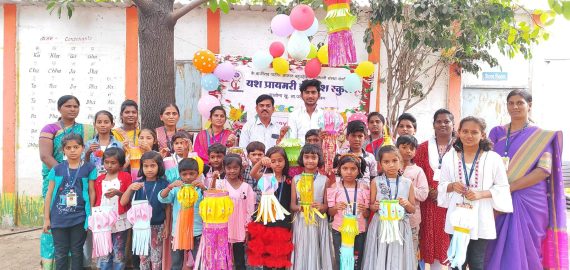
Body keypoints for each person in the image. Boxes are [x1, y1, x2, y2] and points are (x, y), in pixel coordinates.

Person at [485, 90, 568, 269]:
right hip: (498, 197)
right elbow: (485, 162)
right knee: (493, 243)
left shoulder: (541, 136)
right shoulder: (496, 132)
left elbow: (543, 170)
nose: (515, 107)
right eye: (511, 103)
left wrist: (510, 187)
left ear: (529, 105)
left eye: (520, 103)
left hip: (530, 199)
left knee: (528, 247)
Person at [437, 116, 513, 270]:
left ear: (482, 135)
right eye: (465, 131)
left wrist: (481, 194)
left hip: (481, 216)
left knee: (477, 262)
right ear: (458, 132)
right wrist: (452, 186)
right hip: (457, 215)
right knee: (458, 261)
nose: (469, 136)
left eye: (474, 132)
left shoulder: (493, 158)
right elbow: (442, 185)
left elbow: (503, 187)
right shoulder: (449, 157)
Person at [42, 134, 98, 270]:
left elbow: (92, 192)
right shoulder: (57, 169)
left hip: (80, 218)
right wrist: (47, 219)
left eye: (76, 147)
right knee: (60, 253)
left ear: (83, 148)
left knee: (77, 251)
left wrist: (91, 216)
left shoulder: (89, 168)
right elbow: (49, 194)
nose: (72, 150)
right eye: (68, 147)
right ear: (63, 150)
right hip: (58, 219)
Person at [362, 145, 416, 270]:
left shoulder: (407, 183)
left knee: (397, 256)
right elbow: (371, 206)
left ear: (400, 161)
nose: (391, 165)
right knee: (381, 254)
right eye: (386, 162)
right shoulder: (376, 181)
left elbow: (412, 209)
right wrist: (374, 206)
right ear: (380, 164)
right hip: (380, 224)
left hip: (399, 226)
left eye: (394, 161)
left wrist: (407, 203)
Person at [415, 109, 455, 270]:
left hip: (452, 200)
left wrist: (444, 191)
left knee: (450, 239)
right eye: (439, 121)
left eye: (447, 121)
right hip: (428, 201)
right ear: (433, 125)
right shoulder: (423, 147)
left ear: (453, 124)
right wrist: (429, 190)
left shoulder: (461, 147)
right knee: (429, 239)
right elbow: (417, 170)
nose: (443, 124)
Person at [120, 151, 170, 270]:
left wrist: (167, 226)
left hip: (157, 226)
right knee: (143, 257)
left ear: (159, 166)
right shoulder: (137, 183)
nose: (149, 169)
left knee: (156, 258)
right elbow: (123, 202)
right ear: (141, 167)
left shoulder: (164, 184)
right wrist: (130, 188)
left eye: (153, 166)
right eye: (146, 166)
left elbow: (167, 206)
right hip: (140, 228)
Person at [248, 146, 294, 269]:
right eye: (273, 161)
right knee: (266, 257)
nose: (277, 164)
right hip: (266, 223)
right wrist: (260, 161)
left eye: (280, 160)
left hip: (282, 223)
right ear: (269, 163)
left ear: (285, 161)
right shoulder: (266, 178)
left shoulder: (290, 180)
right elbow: (253, 173)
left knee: (281, 255)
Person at [40, 95, 95, 198]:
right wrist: (65, 174)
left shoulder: (88, 129)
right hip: (56, 177)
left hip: (81, 177)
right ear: (59, 108)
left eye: (75, 106)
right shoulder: (50, 129)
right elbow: (45, 156)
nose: (72, 109)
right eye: (68, 106)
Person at [290, 144, 334, 269]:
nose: (310, 160)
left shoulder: (325, 180)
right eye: (306, 157)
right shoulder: (296, 179)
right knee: (302, 246)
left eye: (313, 157)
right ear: (302, 159)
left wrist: (321, 206)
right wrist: (300, 208)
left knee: (317, 246)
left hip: (318, 219)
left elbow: (327, 206)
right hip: (301, 219)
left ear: (319, 159)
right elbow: (292, 205)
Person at [158, 158, 207, 270]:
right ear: (180, 174)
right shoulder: (176, 189)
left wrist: (203, 188)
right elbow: (162, 198)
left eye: (192, 174)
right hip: (178, 232)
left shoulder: (200, 189)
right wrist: (170, 186)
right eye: (184, 174)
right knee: (176, 263)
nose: (188, 177)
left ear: (197, 173)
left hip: (197, 232)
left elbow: (210, 201)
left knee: (199, 261)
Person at [92, 148, 132, 270]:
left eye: (113, 162)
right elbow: (96, 198)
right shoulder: (99, 179)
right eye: (106, 162)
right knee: (105, 252)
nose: (109, 165)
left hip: (119, 219)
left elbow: (129, 197)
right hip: (103, 221)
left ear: (120, 163)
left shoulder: (125, 176)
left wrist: (118, 193)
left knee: (118, 251)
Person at [327, 154, 370, 270]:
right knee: (341, 258)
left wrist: (364, 209)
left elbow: (367, 214)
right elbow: (330, 212)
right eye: (345, 168)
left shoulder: (364, 188)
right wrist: (336, 207)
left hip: (358, 230)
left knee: (356, 259)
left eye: (353, 169)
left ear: (359, 170)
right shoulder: (335, 187)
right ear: (339, 169)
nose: (349, 172)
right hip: (340, 230)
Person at [215, 154, 255, 270]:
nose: (232, 171)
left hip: (239, 229)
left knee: (239, 261)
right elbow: (212, 200)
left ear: (241, 169)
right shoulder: (220, 184)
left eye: (235, 168)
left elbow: (250, 210)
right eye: (229, 168)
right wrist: (213, 180)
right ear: (224, 168)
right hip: (223, 227)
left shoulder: (246, 187)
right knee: (223, 260)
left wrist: (247, 229)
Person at [397, 135, 428, 268]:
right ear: (397, 148)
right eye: (404, 147)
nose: (408, 151)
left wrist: (407, 184)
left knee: (411, 251)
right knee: (396, 251)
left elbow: (423, 194)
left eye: (411, 148)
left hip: (412, 221)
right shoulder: (391, 168)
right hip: (393, 220)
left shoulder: (418, 171)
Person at [283, 79, 324, 144]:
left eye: (313, 92)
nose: (310, 96)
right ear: (301, 95)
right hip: (301, 153)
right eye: (307, 92)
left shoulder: (324, 116)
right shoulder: (294, 115)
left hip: (320, 153)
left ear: (319, 95)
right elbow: (292, 140)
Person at [243, 141, 266, 208]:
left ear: (264, 155)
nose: (257, 157)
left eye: (260, 154)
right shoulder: (244, 170)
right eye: (254, 154)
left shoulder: (267, 170)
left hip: (263, 205)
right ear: (248, 156)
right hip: (247, 204)